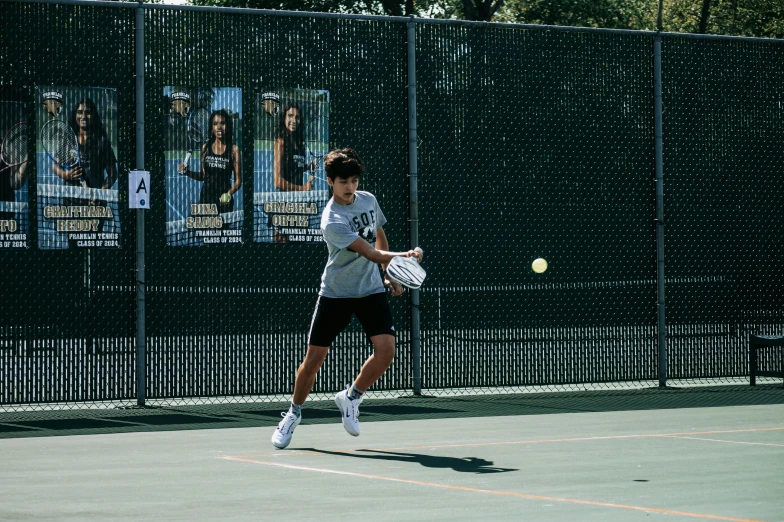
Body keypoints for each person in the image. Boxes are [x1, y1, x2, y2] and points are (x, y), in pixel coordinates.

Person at [271, 147, 423, 449]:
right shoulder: (331, 219)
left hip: (369, 290)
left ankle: (351, 397)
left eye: (353, 180)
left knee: (387, 351)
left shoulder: (368, 199)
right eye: (343, 182)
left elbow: (378, 237)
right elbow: (369, 251)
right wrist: (404, 256)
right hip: (336, 294)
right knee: (314, 359)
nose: (350, 187)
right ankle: (293, 413)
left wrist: (389, 273)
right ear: (330, 182)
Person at [178, 109, 241, 214]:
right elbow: (203, 175)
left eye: (223, 123)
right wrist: (187, 172)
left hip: (224, 200)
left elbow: (238, 181)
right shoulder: (205, 148)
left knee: (224, 230)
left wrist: (229, 193)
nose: (219, 127)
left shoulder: (234, 150)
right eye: (215, 124)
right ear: (212, 128)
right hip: (206, 199)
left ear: (228, 126)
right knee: (206, 230)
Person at [52, 98, 118, 196]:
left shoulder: (102, 142)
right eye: (79, 112)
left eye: (88, 112)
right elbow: (55, 166)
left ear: (94, 115)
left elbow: (112, 175)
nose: (83, 116)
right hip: (70, 200)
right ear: (75, 115)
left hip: (94, 204)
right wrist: (66, 174)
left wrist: (99, 193)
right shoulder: (68, 139)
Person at [273, 102, 314, 193]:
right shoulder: (280, 143)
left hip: (298, 198)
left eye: (297, 117)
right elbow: (277, 182)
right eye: (290, 116)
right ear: (284, 118)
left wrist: (307, 166)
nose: (294, 121)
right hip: (286, 199)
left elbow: (294, 169)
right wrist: (303, 188)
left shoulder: (298, 143)